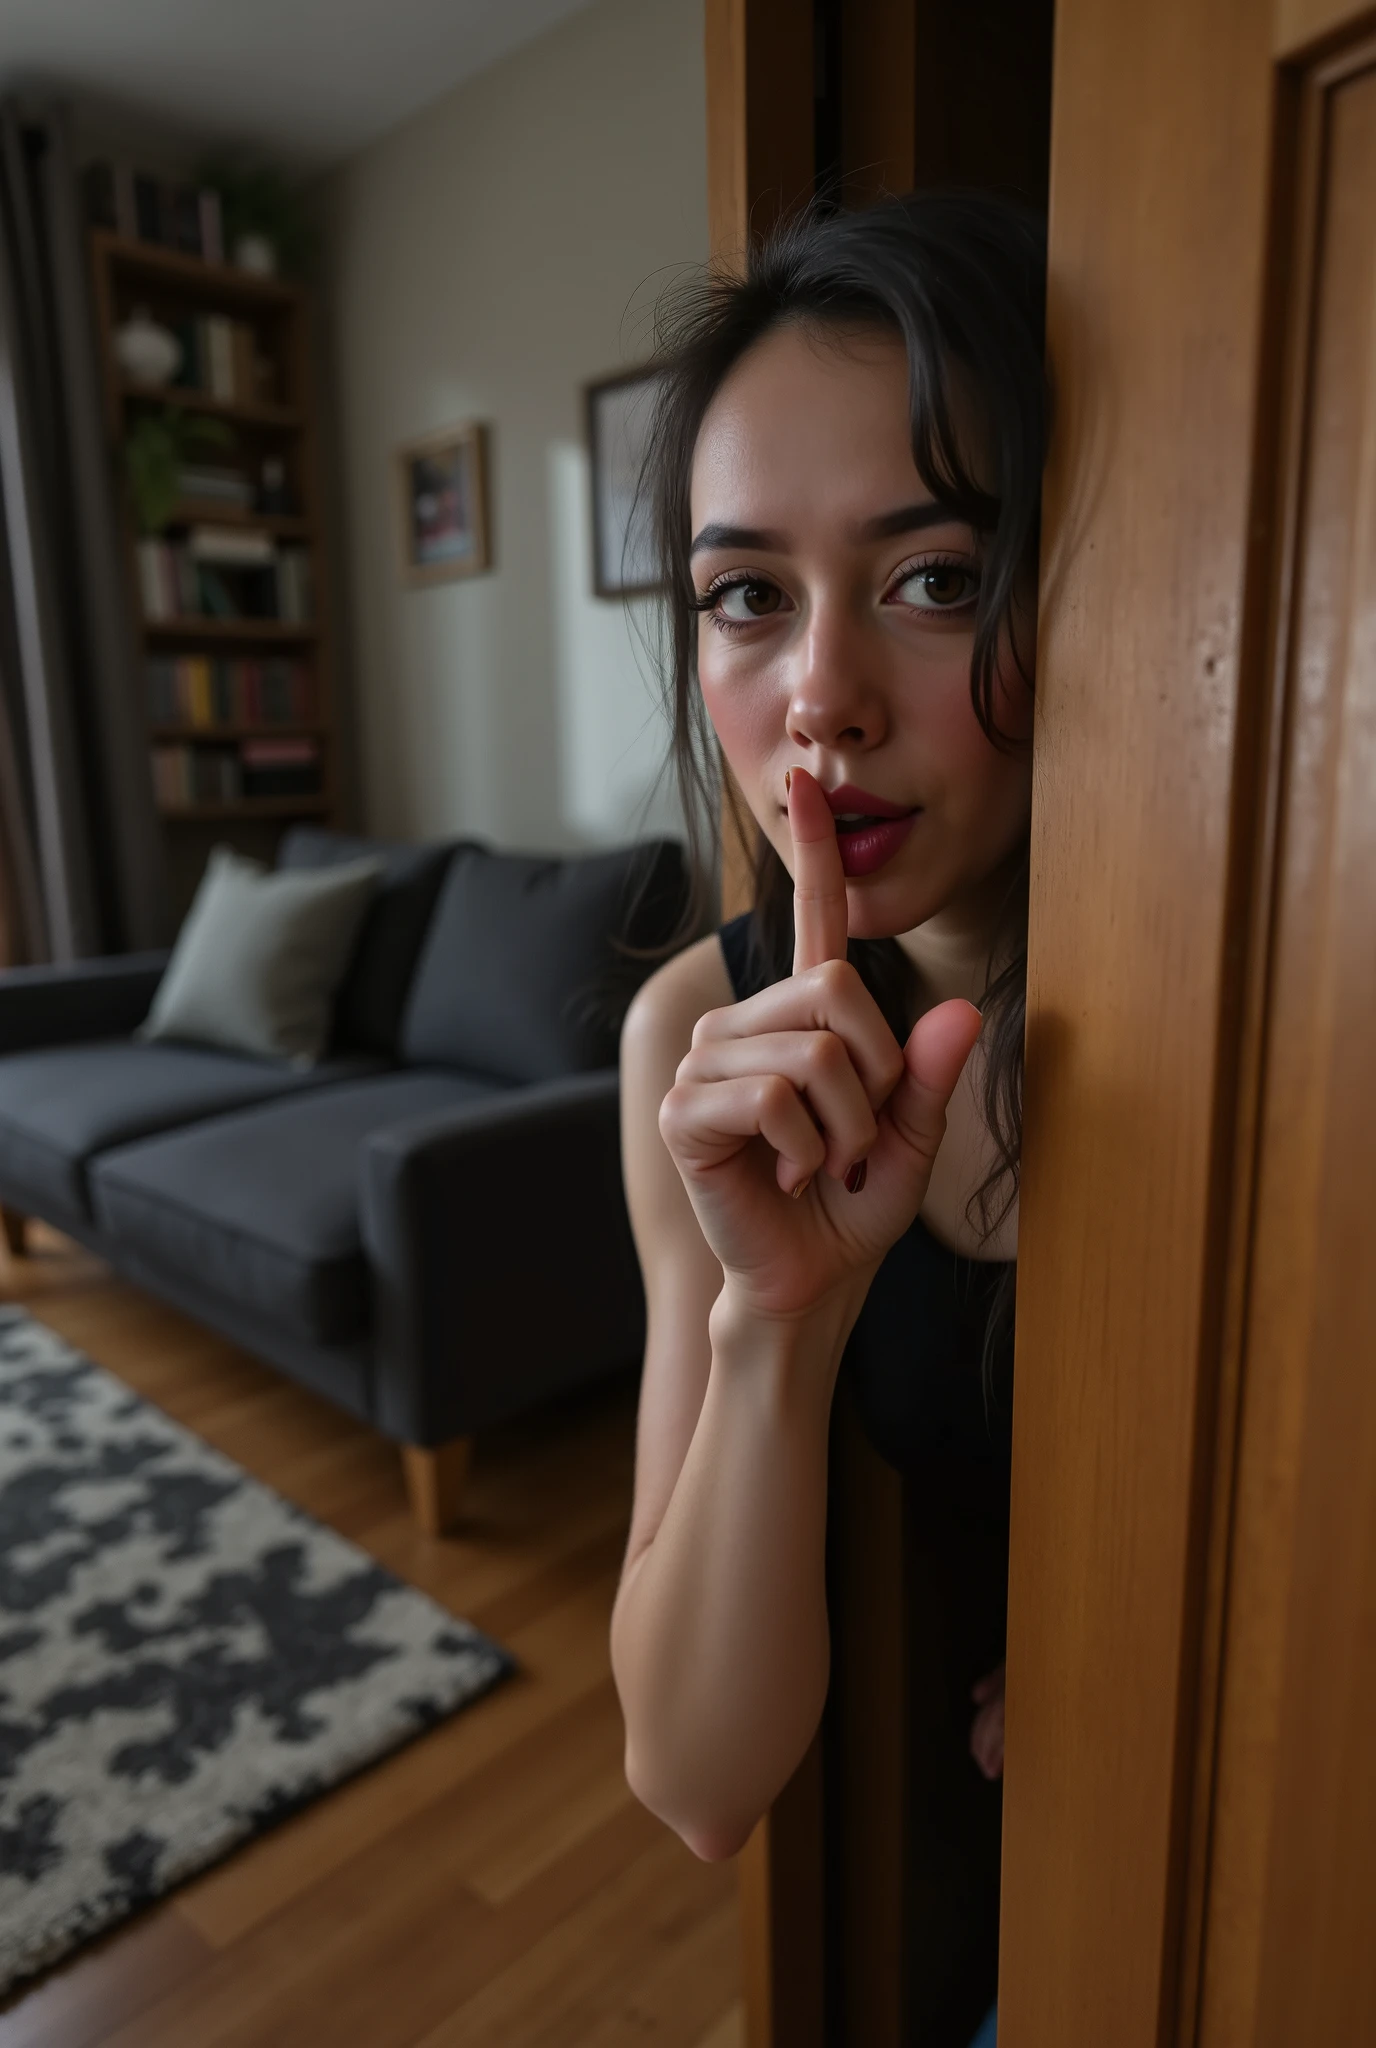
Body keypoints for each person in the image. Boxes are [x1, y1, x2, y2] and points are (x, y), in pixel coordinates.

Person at [610, 191, 1045, 2041]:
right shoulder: (698, 1033)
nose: (821, 706)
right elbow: (698, 1781)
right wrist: (777, 1321)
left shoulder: (1275, 994)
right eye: (746, 600)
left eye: (933, 577)